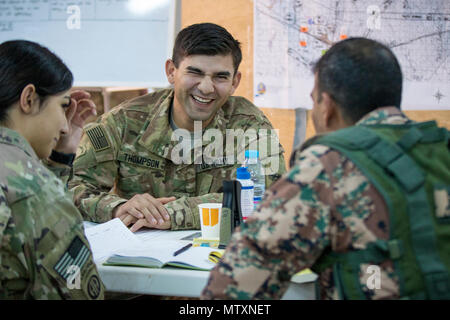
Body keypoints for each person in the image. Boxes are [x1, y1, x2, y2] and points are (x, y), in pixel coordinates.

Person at [201, 37, 450, 300]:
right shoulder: (441, 147)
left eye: (313, 100)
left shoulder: (327, 164)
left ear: (327, 106)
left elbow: (229, 289)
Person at [70, 23, 287, 232]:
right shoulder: (123, 122)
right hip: (138, 255)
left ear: (235, 82)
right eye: (195, 73)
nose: (206, 87)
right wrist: (117, 207)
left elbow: (272, 197)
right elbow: (74, 189)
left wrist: (172, 214)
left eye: (220, 77)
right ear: (171, 71)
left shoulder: (249, 124)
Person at [0, 40, 104, 299]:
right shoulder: (37, 191)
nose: (65, 126)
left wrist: (61, 157)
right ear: (29, 98)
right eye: (62, 105)